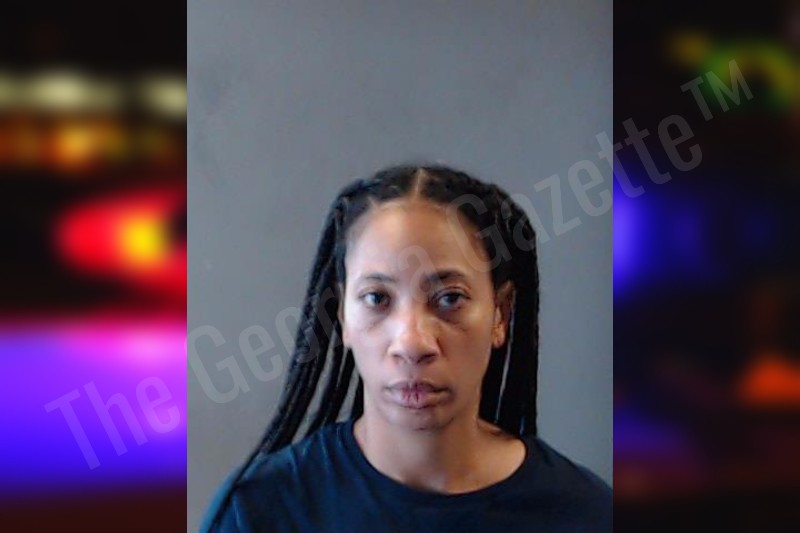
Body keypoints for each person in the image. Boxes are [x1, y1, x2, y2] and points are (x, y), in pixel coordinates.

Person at [201, 164, 611, 532]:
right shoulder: (259, 512)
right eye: (377, 298)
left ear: (500, 314)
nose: (412, 344)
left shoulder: (586, 514)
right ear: (342, 315)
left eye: (449, 298)